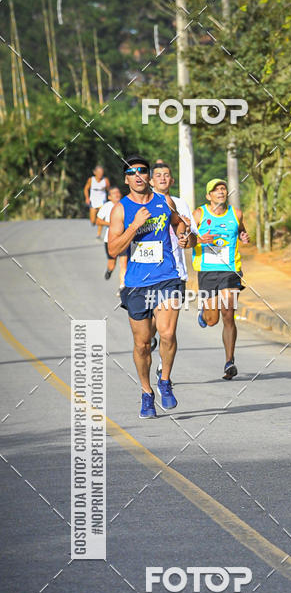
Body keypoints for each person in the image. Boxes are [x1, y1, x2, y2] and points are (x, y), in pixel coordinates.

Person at [107, 155, 193, 418]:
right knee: (143, 344)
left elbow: (181, 225)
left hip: (167, 277)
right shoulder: (120, 210)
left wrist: (184, 237)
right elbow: (113, 248)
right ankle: (146, 392)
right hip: (136, 284)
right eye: (132, 173)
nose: (138, 176)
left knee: (166, 334)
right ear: (126, 179)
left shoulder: (163, 201)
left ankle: (164, 380)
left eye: (142, 171)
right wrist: (135, 226)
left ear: (148, 176)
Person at [192, 179, 250, 380]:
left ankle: (229, 361)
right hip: (207, 271)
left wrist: (243, 235)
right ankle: (204, 312)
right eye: (216, 190)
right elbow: (186, 238)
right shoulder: (199, 214)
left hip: (230, 270)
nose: (220, 192)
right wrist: (199, 239)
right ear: (209, 196)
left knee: (228, 313)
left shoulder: (236, 213)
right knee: (212, 320)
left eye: (223, 189)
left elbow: (241, 228)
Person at [150, 162, 198, 374]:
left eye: (166, 175)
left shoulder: (180, 204)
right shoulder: (142, 204)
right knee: (150, 329)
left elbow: (193, 237)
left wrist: (187, 239)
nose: (162, 178)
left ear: (172, 180)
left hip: (174, 273)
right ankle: (149, 341)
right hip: (146, 276)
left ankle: (164, 370)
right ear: (151, 181)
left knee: (167, 331)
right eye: (158, 175)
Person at [95, 186, 128, 287]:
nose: (117, 194)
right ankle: (109, 270)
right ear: (109, 197)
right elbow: (98, 220)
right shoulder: (106, 206)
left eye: (118, 192)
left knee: (124, 263)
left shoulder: (125, 205)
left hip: (124, 238)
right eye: (114, 193)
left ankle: (122, 286)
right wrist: (112, 224)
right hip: (110, 240)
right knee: (112, 264)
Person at [84, 165, 110, 238]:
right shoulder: (91, 180)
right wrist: (87, 198)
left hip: (102, 201)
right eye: (98, 172)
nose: (100, 174)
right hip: (93, 201)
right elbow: (86, 189)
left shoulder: (106, 180)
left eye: (101, 172)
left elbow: (109, 190)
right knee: (93, 221)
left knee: (100, 218)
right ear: (95, 172)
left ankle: (99, 234)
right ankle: (95, 222)